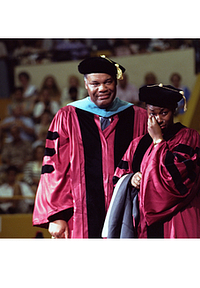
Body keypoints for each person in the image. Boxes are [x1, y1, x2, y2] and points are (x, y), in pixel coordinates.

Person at [32, 55, 148, 238]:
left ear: (116, 82)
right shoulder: (68, 117)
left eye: (108, 82)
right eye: (95, 83)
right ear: (86, 85)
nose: (102, 88)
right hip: (80, 214)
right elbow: (54, 168)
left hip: (128, 210)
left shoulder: (138, 117)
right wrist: (56, 215)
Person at [108, 83, 200, 238]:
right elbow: (118, 177)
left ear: (173, 111)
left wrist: (158, 141)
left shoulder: (189, 138)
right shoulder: (137, 144)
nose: (158, 119)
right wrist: (130, 178)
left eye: (164, 113)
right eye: (153, 113)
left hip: (178, 220)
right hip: (144, 225)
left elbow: (175, 181)